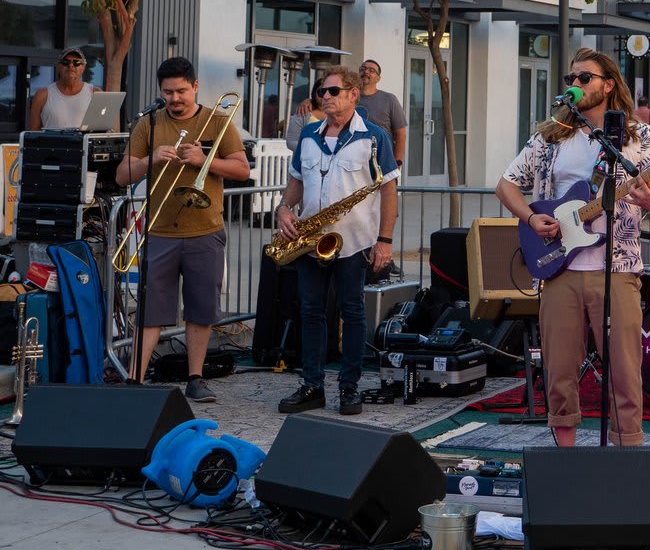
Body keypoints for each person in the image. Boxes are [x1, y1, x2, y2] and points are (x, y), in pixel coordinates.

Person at [496, 47, 650, 446]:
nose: (574, 85)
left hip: (617, 267)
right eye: (571, 79)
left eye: (584, 78)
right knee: (559, 369)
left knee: (625, 370)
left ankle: (627, 453)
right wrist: (530, 217)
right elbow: (505, 184)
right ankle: (566, 456)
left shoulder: (638, 136)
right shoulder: (550, 137)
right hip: (559, 269)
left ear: (608, 85)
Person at [114, 57, 249, 400]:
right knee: (151, 310)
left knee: (201, 308)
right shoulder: (150, 124)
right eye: (168, 92)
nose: (175, 98)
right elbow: (121, 175)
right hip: (159, 229)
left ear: (195, 87)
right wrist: (150, 160)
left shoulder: (218, 120)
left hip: (205, 228)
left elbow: (242, 170)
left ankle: (195, 377)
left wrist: (206, 161)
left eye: (181, 91)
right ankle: (135, 381)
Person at [275, 65, 399, 416]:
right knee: (310, 312)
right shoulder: (310, 136)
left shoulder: (374, 137)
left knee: (352, 312)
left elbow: (390, 191)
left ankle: (349, 387)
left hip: (354, 240)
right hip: (311, 240)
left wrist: (385, 240)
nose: (324, 97)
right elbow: (296, 183)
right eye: (321, 91)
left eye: (332, 91)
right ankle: (312, 385)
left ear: (353, 94)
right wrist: (284, 209)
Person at [27, 46, 100, 130]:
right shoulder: (42, 95)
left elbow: (107, 132)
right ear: (58, 66)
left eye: (76, 62)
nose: (71, 65)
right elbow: (33, 134)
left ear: (83, 68)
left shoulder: (95, 94)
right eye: (66, 62)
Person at [356, 59, 408, 168]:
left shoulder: (389, 99)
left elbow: (401, 134)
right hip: (354, 162)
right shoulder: (349, 98)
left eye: (371, 70)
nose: (366, 72)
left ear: (378, 78)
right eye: (363, 69)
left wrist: (397, 163)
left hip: (382, 161)